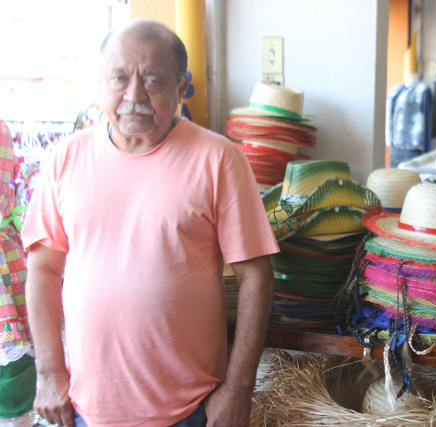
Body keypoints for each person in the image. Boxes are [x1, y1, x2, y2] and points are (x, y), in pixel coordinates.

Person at [22, 19, 278, 427]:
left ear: (182, 87)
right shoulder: (64, 159)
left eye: (153, 80)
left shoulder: (218, 158)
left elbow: (257, 276)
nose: (133, 95)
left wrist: (238, 388)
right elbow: (43, 268)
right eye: (119, 78)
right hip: (87, 410)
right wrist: (50, 373)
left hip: (191, 411)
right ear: (99, 84)